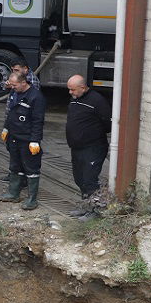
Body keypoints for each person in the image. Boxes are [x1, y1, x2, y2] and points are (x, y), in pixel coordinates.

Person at [0, 71, 46, 210]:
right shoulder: (14, 93)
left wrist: (35, 140)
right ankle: (13, 193)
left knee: (31, 168)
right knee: (15, 165)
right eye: (11, 85)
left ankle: (32, 199)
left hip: (27, 139)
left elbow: (38, 121)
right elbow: (11, 112)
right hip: (13, 137)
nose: (12, 87)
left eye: (15, 85)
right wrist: (6, 128)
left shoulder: (36, 97)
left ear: (24, 82)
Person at [64, 75, 112, 219]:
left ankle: (96, 211)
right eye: (69, 90)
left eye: (72, 90)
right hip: (76, 147)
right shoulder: (75, 99)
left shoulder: (97, 100)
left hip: (93, 147)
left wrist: (92, 133)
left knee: (89, 180)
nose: (70, 93)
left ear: (83, 88)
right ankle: (86, 206)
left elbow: (108, 123)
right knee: (79, 178)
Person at [0, 60, 40, 181]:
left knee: (23, 153)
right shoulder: (16, 82)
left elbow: (31, 108)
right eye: (12, 70)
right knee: (12, 149)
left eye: (16, 70)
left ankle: (23, 178)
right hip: (12, 122)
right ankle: (15, 174)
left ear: (25, 69)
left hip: (22, 125)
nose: (14, 72)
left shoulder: (32, 83)